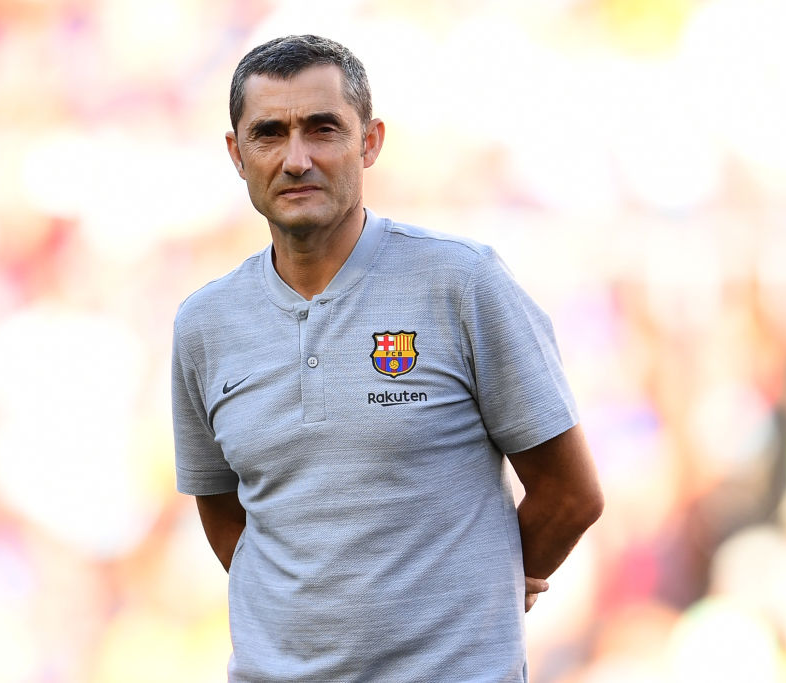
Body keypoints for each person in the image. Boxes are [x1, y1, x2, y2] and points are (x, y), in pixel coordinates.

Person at [171, 34, 604, 682]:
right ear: (237, 153)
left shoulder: (461, 283)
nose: (296, 159)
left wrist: (498, 585)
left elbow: (570, 493)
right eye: (269, 133)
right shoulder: (204, 324)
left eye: (323, 129)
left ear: (370, 141)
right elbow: (227, 513)